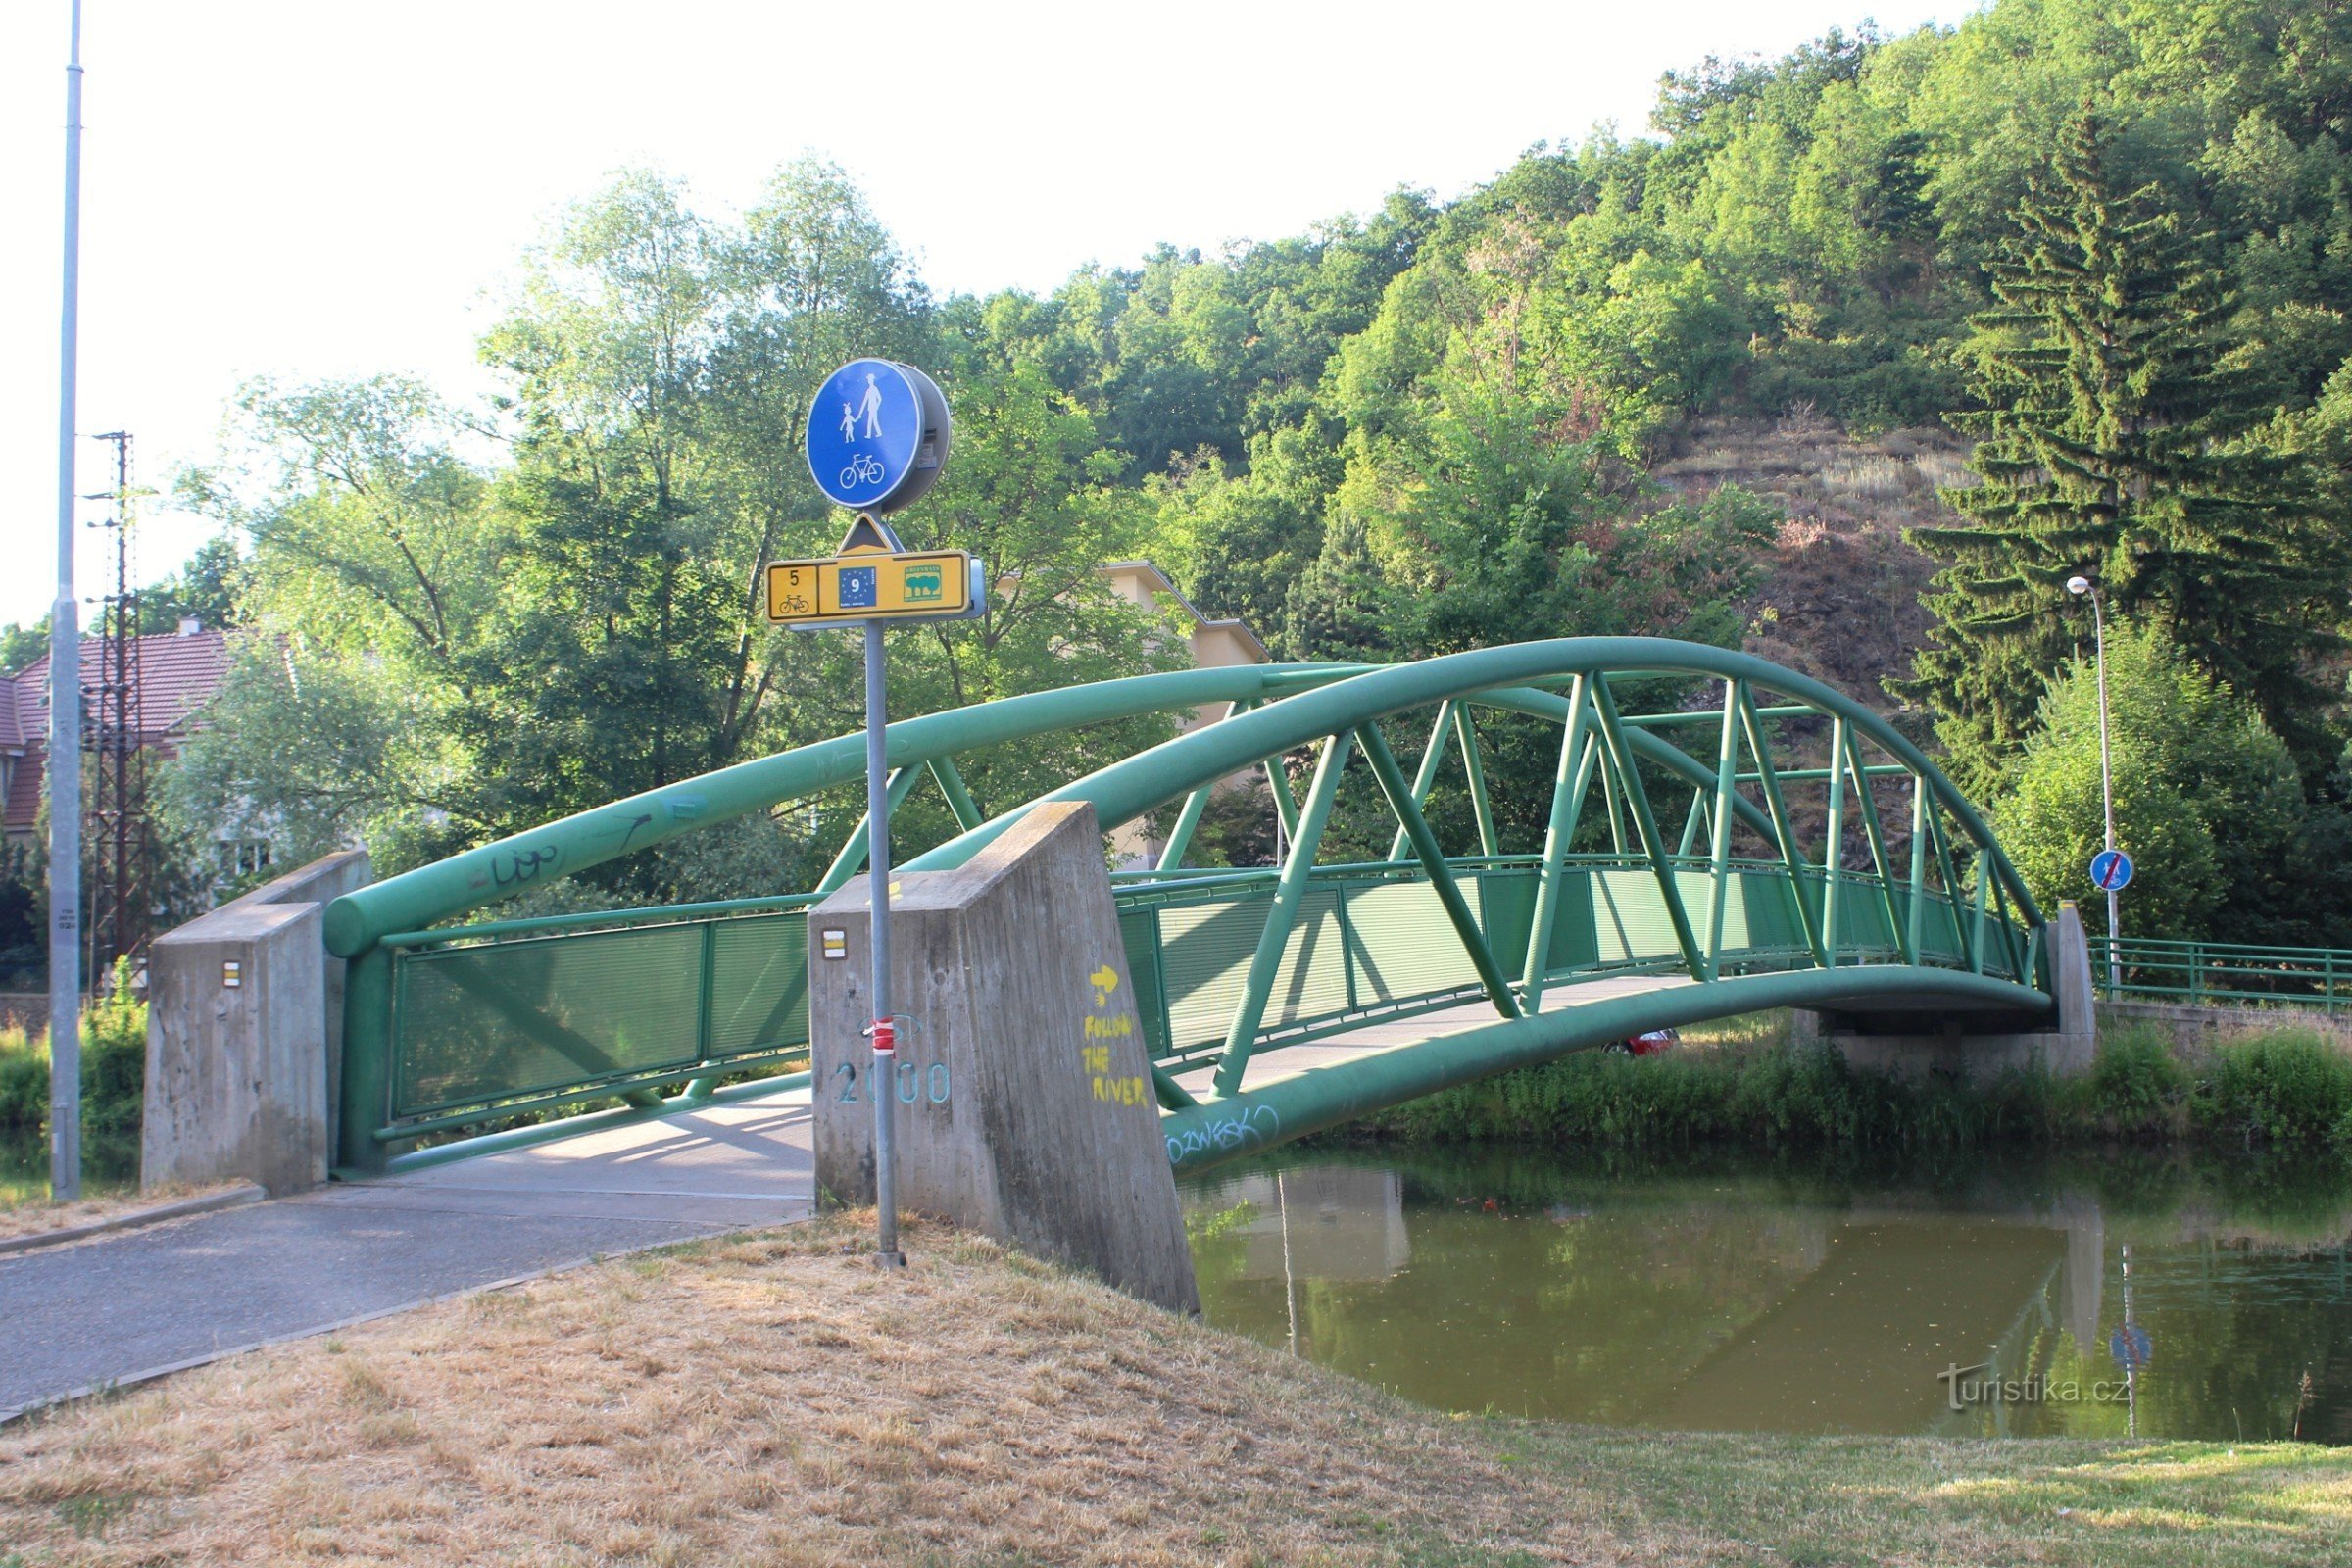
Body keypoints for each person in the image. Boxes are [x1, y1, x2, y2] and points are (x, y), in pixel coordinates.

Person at [858, 371, 884, 439]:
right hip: (870, 408)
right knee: (872, 421)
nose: (869, 381)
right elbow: (865, 401)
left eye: (869, 379)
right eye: (868, 380)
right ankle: (875, 433)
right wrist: (860, 413)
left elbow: (880, 399)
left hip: (873, 408)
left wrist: (877, 407)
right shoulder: (868, 390)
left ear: (872, 380)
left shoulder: (874, 389)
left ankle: (874, 434)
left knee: (872, 421)